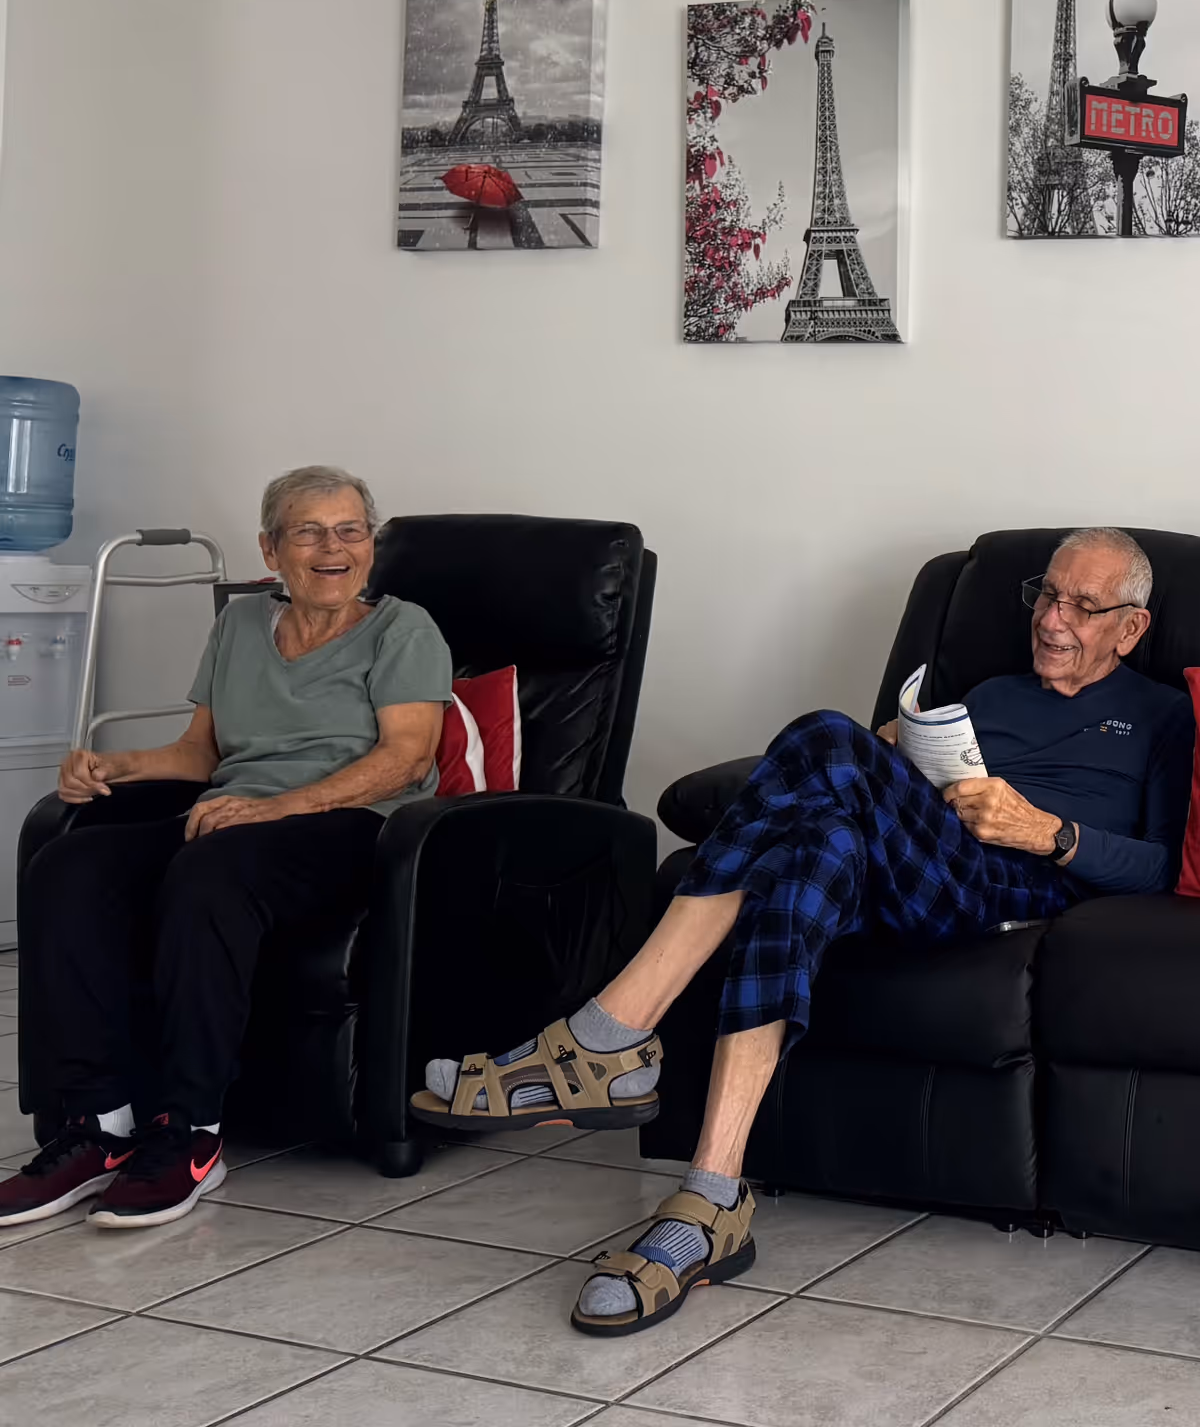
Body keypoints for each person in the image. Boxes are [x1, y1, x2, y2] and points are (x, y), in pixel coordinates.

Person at [412, 527, 1194, 1336]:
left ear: (1131, 628)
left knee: (824, 734)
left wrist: (1049, 832)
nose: (1052, 619)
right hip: (924, 853)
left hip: (1019, 879)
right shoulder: (991, 695)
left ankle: (608, 1034)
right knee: (811, 849)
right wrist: (891, 757)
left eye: (1082, 606)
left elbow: (1162, 867)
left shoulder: (1161, 715)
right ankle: (710, 1199)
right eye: (1047, 595)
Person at [2, 465, 452, 1231]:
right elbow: (199, 753)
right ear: (270, 548)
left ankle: (190, 1132)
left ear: (371, 545)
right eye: (309, 531)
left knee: (212, 869)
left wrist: (276, 808)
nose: (333, 546)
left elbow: (406, 759)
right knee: (71, 865)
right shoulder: (239, 625)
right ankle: (97, 1127)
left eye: (351, 530)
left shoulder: (403, 628)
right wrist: (113, 765)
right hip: (236, 814)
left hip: (355, 825)